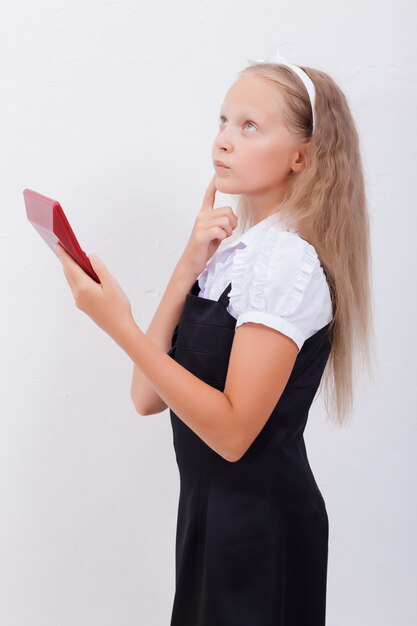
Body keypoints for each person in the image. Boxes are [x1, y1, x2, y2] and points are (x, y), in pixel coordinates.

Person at [55, 48, 374, 626]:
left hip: (260, 532)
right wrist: (186, 266)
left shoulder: (286, 264)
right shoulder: (234, 258)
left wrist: (117, 323)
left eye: (250, 126)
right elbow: (146, 397)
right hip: (208, 520)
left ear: (302, 155)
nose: (224, 139)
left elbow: (231, 434)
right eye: (223, 121)